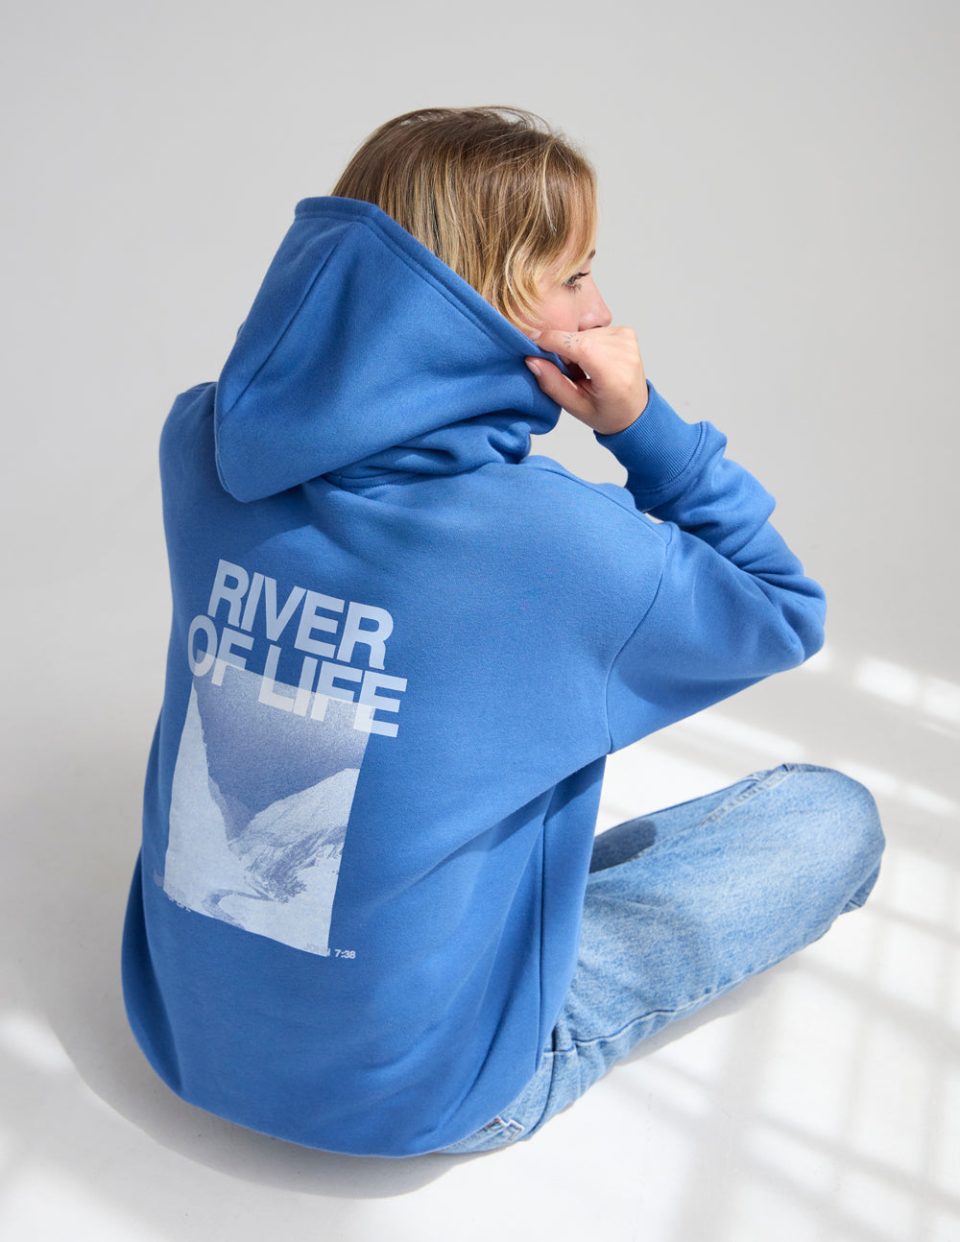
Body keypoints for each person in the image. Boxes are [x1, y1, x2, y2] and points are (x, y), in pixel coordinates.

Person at [119, 105, 885, 1161]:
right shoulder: (558, 544)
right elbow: (784, 610)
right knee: (829, 816)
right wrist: (644, 426)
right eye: (572, 276)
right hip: (430, 1096)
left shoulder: (198, 448)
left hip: (180, 1036)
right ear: (477, 300)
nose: (601, 308)